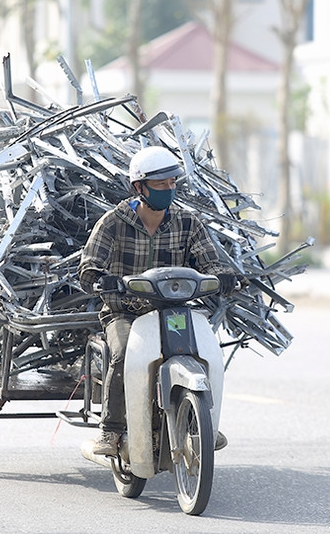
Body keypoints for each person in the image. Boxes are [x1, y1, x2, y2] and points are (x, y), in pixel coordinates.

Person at [78, 146, 236, 456]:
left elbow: (211, 261)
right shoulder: (114, 222)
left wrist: (224, 276)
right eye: (161, 184)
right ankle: (110, 432)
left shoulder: (187, 222)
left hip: (173, 311)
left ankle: (203, 425)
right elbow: (88, 268)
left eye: (173, 183)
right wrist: (102, 279)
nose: (169, 189)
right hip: (124, 313)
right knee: (123, 354)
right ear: (139, 187)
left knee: (205, 353)